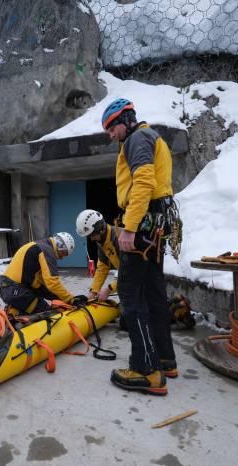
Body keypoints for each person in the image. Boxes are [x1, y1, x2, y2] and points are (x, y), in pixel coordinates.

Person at [101, 98, 178, 396]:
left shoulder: (136, 139)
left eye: (111, 128)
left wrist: (129, 229)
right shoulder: (150, 136)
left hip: (143, 224)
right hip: (156, 224)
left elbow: (143, 183)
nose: (110, 134)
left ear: (124, 121)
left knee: (131, 296)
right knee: (154, 293)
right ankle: (165, 359)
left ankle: (146, 370)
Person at [0, 232, 86, 315]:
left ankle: (13, 316)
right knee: (48, 314)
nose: (62, 258)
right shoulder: (47, 251)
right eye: (64, 253)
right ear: (61, 246)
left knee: (33, 307)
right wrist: (71, 300)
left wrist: (64, 299)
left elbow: (41, 287)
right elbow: (53, 283)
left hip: (7, 289)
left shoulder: (38, 246)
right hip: (17, 291)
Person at [75, 209, 118, 302]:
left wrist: (109, 289)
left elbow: (131, 271)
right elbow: (103, 267)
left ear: (100, 229)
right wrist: (94, 291)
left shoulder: (119, 239)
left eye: (92, 235)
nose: (91, 239)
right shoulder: (102, 242)